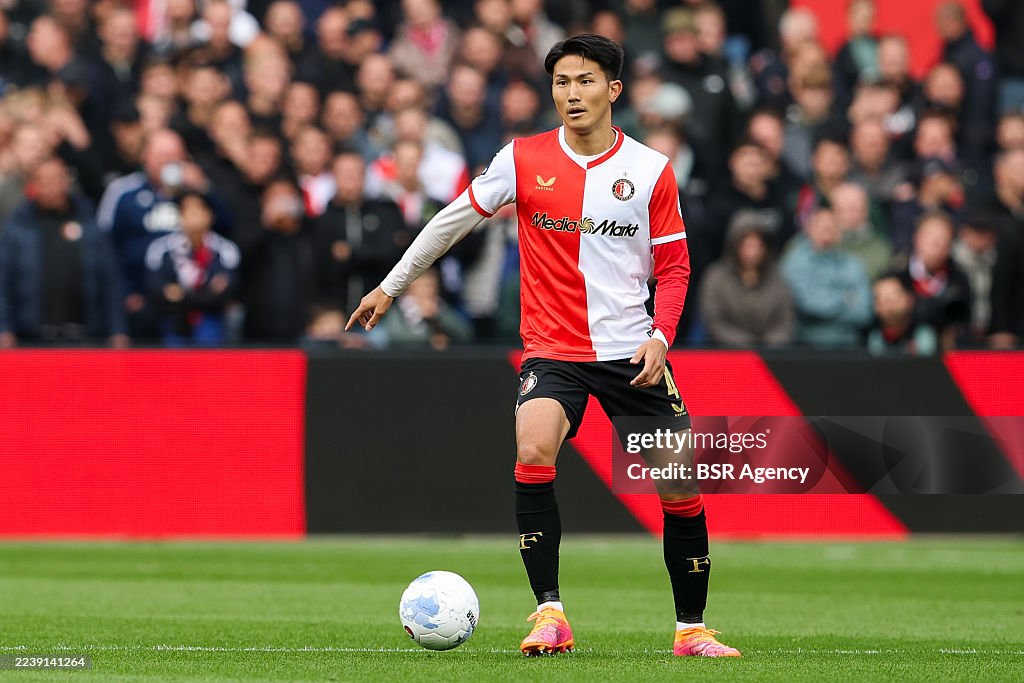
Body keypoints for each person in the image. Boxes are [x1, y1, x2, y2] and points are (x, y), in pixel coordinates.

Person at [346, 34, 739, 658]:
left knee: (679, 488)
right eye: (561, 82)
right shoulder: (523, 157)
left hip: (631, 351)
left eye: (584, 81)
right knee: (532, 446)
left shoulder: (649, 170)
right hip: (553, 350)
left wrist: (663, 335)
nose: (571, 94)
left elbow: (675, 267)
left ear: (612, 90)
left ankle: (691, 629)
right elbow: (453, 219)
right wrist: (392, 286)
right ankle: (549, 614)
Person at [0, 157, 127, 348]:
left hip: (86, 338)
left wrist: (118, 329)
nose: (51, 187)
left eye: (57, 179)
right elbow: (3, 282)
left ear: (67, 181)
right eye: (44, 181)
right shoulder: (17, 227)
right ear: (33, 185)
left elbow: (110, 279)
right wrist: (4, 329)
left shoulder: (89, 222)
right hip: (31, 339)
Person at [144, 191, 239, 346]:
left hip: (211, 318)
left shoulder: (225, 249)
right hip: (173, 319)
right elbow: (156, 287)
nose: (193, 217)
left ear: (209, 215)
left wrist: (182, 295)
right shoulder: (161, 248)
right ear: (180, 216)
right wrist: (204, 293)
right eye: (187, 211)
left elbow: (225, 290)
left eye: (198, 211)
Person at [782, 207, 873, 347]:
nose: (827, 229)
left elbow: (863, 312)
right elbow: (808, 305)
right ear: (809, 229)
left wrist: (826, 302)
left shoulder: (852, 264)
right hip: (808, 345)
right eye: (821, 225)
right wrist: (846, 299)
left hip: (850, 344)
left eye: (832, 225)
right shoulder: (795, 263)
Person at [699, 212, 794, 347]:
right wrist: (746, 344)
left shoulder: (778, 278)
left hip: (772, 357)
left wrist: (769, 345)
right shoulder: (716, 278)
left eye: (758, 245)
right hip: (726, 356)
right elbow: (713, 321)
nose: (752, 252)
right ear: (734, 245)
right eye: (747, 245)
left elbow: (785, 321)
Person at [867, 275, 938, 356]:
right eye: (880, 300)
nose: (888, 306)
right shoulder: (875, 338)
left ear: (909, 299)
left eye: (892, 299)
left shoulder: (923, 334)